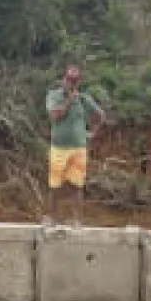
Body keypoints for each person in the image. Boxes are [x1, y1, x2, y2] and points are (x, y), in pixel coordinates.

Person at [45, 65, 105, 226]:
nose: (71, 83)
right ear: (63, 79)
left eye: (74, 81)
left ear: (78, 82)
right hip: (59, 148)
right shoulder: (54, 95)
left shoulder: (84, 99)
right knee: (55, 184)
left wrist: (92, 132)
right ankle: (52, 218)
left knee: (77, 185)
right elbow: (54, 116)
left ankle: (77, 220)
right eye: (69, 80)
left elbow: (100, 115)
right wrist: (69, 102)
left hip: (78, 148)